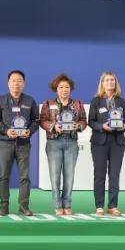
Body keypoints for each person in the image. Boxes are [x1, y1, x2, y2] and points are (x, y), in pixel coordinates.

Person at [39, 73, 87, 215]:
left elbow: (84, 121)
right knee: (55, 175)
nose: (64, 90)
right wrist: (53, 126)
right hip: (54, 142)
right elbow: (42, 121)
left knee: (69, 175)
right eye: (61, 87)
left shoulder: (78, 104)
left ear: (71, 89)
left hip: (71, 141)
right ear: (56, 89)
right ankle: (57, 204)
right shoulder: (48, 104)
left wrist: (78, 125)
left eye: (67, 87)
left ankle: (67, 204)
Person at [0, 69, 37, 216]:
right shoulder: (1, 100)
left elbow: (36, 121)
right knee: (3, 176)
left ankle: (23, 206)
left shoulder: (30, 101)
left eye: (19, 81)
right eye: (13, 81)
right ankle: (4, 206)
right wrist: (6, 131)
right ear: (8, 83)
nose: (16, 83)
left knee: (24, 177)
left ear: (24, 83)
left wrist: (29, 131)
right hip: (6, 143)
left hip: (24, 144)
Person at [88, 71, 125, 216]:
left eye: (112, 80)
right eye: (107, 80)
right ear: (102, 83)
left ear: (116, 83)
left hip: (117, 142)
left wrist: (123, 126)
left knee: (114, 174)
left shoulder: (122, 101)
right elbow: (91, 121)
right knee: (99, 174)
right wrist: (102, 126)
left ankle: (112, 205)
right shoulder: (96, 101)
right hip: (99, 141)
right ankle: (99, 205)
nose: (110, 82)